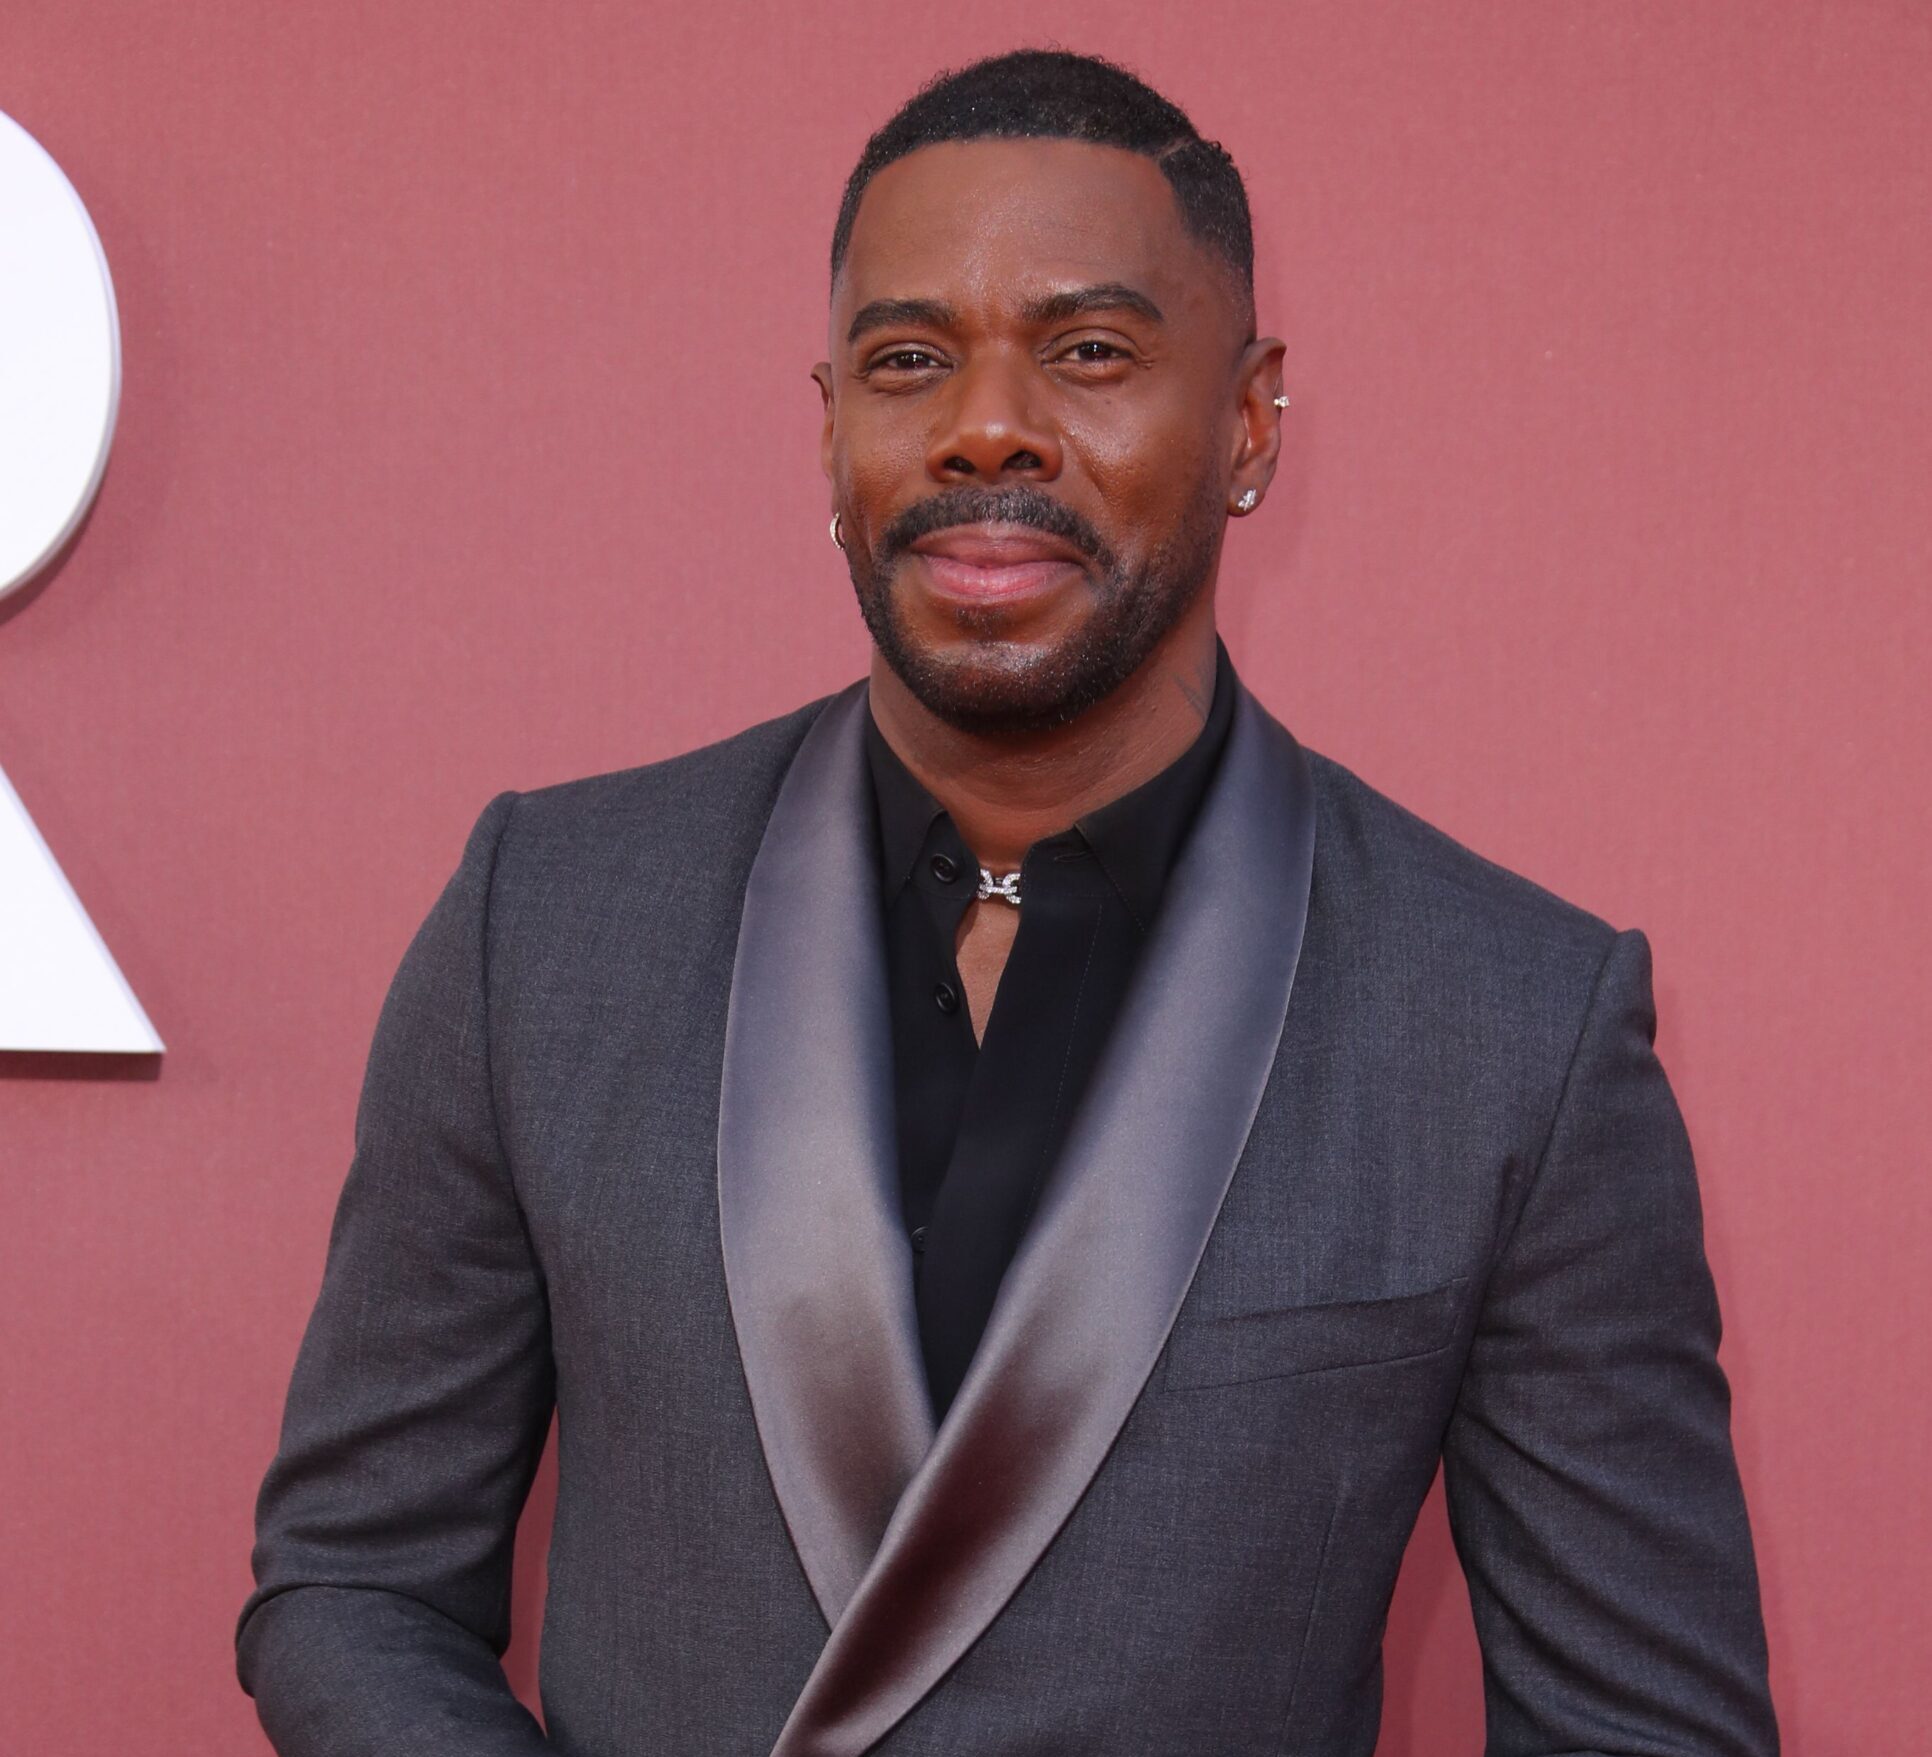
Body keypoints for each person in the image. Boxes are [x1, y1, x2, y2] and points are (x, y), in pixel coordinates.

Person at [238, 48, 1778, 1757]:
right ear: (829, 427)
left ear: (1251, 422)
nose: (985, 426)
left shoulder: (1509, 1025)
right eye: (909, 361)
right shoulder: (544, 926)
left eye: (1090, 351)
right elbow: (353, 1579)